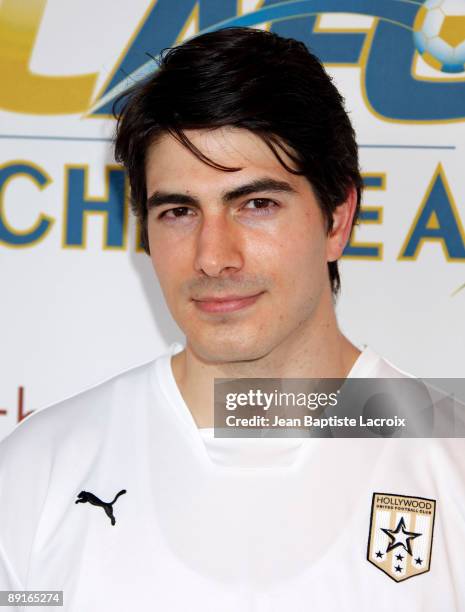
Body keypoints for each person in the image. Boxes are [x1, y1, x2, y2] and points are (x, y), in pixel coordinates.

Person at [0, 27, 464, 612]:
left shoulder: (451, 468)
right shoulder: (36, 475)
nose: (213, 256)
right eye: (178, 211)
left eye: (256, 204)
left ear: (337, 219)